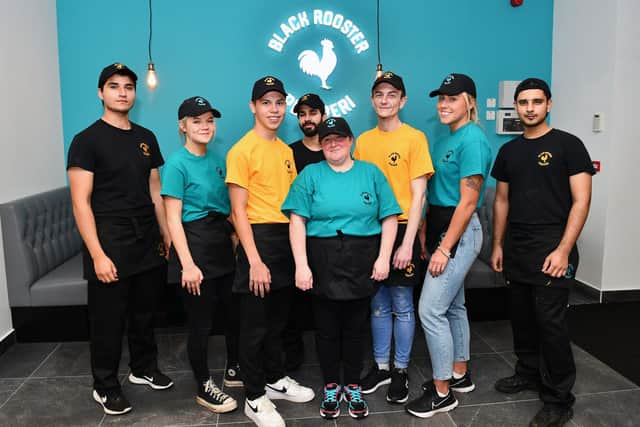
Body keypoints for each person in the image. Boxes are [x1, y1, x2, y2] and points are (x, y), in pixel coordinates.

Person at [67, 63, 173, 416]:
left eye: (128, 86)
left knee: (145, 312)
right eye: (114, 86)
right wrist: (97, 254)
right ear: (101, 93)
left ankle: (143, 368)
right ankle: (105, 385)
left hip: (147, 238)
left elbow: (155, 191)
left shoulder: (146, 137)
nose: (123, 92)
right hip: (109, 237)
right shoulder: (86, 140)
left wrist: (166, 233)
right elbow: (80, 203)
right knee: (108, 319)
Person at [490, 78, 594, 427]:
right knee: (521, 319)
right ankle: (528, 372)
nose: (529, 108)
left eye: (536, 101)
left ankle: (559, 398)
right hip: (517, 246)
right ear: (516, 107)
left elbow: (581, 201)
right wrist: (498, 244)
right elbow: (501, 201)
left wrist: (564, 250)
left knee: (550, 324)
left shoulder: (569, 145)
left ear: (549, 104)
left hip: (554, 245)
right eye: (523, 102)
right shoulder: (509, 152)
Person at [282, 117, 401, 419]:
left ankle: (354, 384)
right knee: (326, 329)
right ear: (321, 145)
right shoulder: (310, 175)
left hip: (363, 259)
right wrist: (301, 266)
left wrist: (384, 257)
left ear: (351, 141)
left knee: (355, 328)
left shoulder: (371, 173)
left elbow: (389, 217)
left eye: (339, 138)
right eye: (326, 140)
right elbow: (297, 221)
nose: (333, 144)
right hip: (322, 259)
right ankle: (332, 386)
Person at [225, 76, 315, 427]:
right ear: (253, 107)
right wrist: (254, 261)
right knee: (255, 328)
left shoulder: (285, 151)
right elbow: (237, 211)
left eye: (279, 102)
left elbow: (290, 203)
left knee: (279, 322)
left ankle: (275, 379)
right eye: (267, 103)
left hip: (285, 240)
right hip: (258, 242)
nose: (274, 109)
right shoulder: (241, 150)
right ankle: (253, 397)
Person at [406, 73, 492, 418]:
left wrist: (445, 248)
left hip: (460, 231)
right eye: (441, 98)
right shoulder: (446, 139)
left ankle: (443, 393)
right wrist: (427, 229)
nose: (444, 104)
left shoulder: (473, 140)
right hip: (442, 225)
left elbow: (468, 203)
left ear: (469, 101)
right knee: (454, 305)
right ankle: (460, 373)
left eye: (452, 98)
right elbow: (437, 194)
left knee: (430, 310)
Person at [354, 71, 433, 403]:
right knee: (377, 304)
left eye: (391, 94)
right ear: (372, 101)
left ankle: (400, 369)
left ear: (403, 100)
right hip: (371, 232)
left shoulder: (414, 138)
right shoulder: (363, 141)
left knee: (402, 303)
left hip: (403, 229)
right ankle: (381, 366)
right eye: (379, 94)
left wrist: (406, 242)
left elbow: (419, 196)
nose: (384, 100)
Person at [161, 96, 238, 414]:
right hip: (193, 247)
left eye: (209, 120)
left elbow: (226, 208)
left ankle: (235, 370)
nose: (205, 126)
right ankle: (204, 385)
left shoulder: (218, 159)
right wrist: (188, 265)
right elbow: (172, 218)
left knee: (234, 316)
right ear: (183, 126)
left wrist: (235, 237)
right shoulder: (176, 164)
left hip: (220, 244)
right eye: (197, 121)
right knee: (201, 324)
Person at [282, 93, 327, 372]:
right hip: (297, 235)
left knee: (326, 300)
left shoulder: (334, 149)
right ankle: (293, 355)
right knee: (293, 302)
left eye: (312, 113)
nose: (307, 119)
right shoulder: (289, 153)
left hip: (327, 238)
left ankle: (329, 353)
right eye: (301, 114)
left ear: (323, 115)